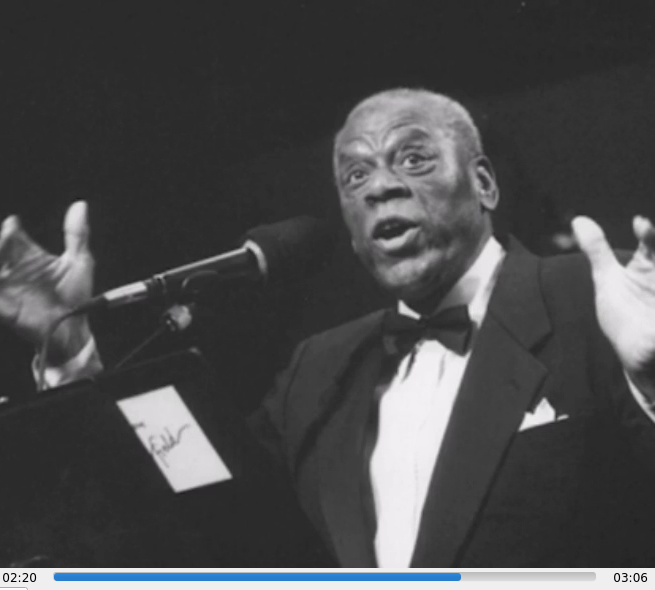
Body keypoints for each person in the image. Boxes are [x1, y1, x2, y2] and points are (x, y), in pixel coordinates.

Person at [0, 88, 654, 567]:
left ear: (483, 183)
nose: (378, 188)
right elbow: (199, 509)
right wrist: (72, 352)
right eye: (355, 175)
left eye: (413, 159)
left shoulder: (596, 300)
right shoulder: (316, 370)